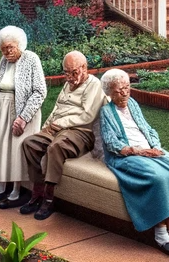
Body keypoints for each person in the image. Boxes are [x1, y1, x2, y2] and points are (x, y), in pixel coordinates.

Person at [99, 70, 169, 256]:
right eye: (119, 90)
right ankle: (161, 234)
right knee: (159, 177)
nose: (125, 92)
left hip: (148, 149)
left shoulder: (133, 104)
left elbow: (147, 128)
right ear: (109, 92)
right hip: (126, 156)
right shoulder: (106, 112)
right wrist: (139, 151)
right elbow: (112, 143)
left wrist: (155, 146)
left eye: (127, 87)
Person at [19, 51, 106, 220]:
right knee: (30, 143)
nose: (70, 77)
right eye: (66, 72)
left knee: (56, 146)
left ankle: (49, 198)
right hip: (58, 129)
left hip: (81, 132)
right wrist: (45, 128)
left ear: (84, 68)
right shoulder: (68, 84)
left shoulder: (93, 84)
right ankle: (37, 193)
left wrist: (60, 124)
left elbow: (87, 116)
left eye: (74, 72)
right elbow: (57, 109)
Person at [0, 26, 48, 209]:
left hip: (22, 110)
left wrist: (23, 117)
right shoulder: (3, 61)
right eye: (3, 48)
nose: (7, 51)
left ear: (20, 44)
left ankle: (16, 192)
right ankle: (2, 188)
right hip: (2, 107)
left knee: (16, 149)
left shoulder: (31, 59)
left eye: (11, 47)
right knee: (0, 147)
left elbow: (40, 92)